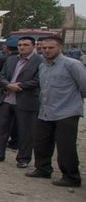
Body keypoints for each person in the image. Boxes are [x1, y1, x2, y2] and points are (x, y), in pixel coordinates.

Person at [26, 36, 86, 187]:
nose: (46, 50)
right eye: (44, 48)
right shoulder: (43, 65)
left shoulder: (72, 64)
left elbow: (84, 86)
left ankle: (71, 177)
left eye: (51, 48)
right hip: (46, 110)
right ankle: (43, 169)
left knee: (66, 146)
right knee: (41, 141)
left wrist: (74, 102)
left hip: (67, 112)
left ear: (60, 48)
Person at [0, 37, 42, 168]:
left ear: (34, 46)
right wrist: (8, 85)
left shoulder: (40, 61)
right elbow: (1, 76)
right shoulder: (10, 59)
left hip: (26, 100)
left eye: (26, 45)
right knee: (1, 128)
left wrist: (19, 86)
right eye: (20, 45)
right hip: (6, 98)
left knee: (25, 131)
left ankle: (23, 158)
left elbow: (39, 80)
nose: (22, 47)